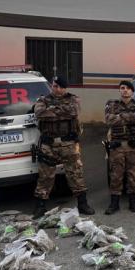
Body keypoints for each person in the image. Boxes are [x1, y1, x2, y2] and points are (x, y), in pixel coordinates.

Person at [32, 76, 94, 217]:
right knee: (45, 175)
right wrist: (62, 111)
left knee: (75, 173)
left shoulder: (73, 99)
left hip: (69, 143)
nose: (57, 89)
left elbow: (73, 111)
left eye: (60, 86)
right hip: (48, 143)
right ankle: (40, 206)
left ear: (65, 88)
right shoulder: (43, 100)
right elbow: (40, 113)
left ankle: (83, 204)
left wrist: (52, 110)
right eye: (54, 86)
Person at [103, 80, 135, 214]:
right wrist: (130, 117)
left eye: (128, 88)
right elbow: (109, 120)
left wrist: (120, 116)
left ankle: (133, 202)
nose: (125, 90)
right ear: (119, 91)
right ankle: (114, 203)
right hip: (117, 147)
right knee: (116, 175)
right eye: (122, 88)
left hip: (134, 147)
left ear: (132, 92)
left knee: (134, 174)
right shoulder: (111, 104)